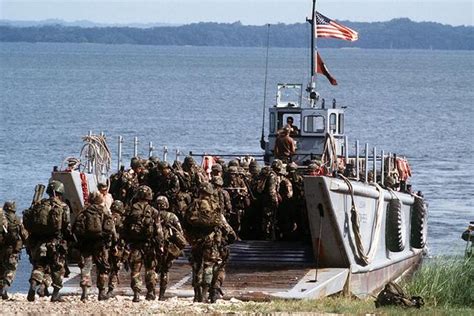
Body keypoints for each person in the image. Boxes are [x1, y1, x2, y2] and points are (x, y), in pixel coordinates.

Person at [23, 180, 72, 302]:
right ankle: (55, 295)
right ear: (60, 192)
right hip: (55, 242)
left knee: (39, 266)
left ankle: (33, 285)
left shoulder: (39, 205)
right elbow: (66, 226)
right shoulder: (63, 207)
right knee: (57, 268)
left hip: (39, 242)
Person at [123, 185, 164, 302]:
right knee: (150, 269)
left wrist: (125, 242)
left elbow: (124, 227)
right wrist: (160, 245)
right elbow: (158, 230)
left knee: (135, 270)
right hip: (149, 245)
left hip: (135, 245)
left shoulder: (131, 209)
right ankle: (150, 292)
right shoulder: (154, 211)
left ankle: (136, 293)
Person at [73, 192, 115, 301]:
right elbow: (110, 229)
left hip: (86, 244)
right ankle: (101, 292)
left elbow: (76, 229)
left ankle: (85, 293)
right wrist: (112, 242)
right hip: (100, 244)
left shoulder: (84, 212)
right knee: (102, 268)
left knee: (86, 267)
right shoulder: (104, 211)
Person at [155, 196, 186, 300]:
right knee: (165, 270)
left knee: (153, 269)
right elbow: (180, 232)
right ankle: (161, 294)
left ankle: (150, 292)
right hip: (168, 247)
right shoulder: (172, 216)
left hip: (154, 246)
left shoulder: (153, 215)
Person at [0, 201, 27, 300]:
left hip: (1, 248)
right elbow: (24, 234)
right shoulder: (17, 219)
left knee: (1, 269)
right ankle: (4, 289)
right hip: (12, 249)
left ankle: (0, 290)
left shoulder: (1, 218)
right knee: (11, 270)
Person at [107, 200, 127, 298]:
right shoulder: (122, 219)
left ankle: (102, 289)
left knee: (105, 267)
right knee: (115, 268)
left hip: (106, 246)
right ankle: (111, 288)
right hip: (118, 246)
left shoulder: (107, 217)